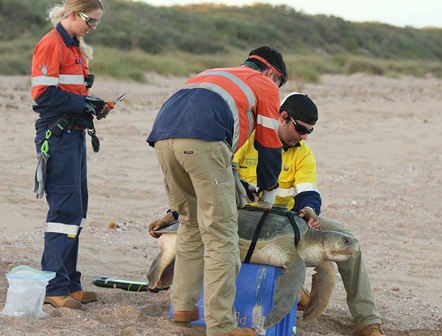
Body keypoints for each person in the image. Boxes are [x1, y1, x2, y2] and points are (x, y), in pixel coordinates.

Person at [149, 93, 385, 336]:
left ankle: (368, 322)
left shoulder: (303, 153)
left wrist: (310, 210)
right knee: (189, 228)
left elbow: (307, 193)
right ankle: (295, 294)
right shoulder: (246, 140)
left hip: (288, 221)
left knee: (345, 238)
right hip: (239, 216)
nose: (304, 137)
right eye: (301, 129)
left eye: (309, 132)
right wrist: (174, 213)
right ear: (283, 117)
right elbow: (209, 180)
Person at [146, 46, 288, 336]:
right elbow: (269, 144)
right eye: (279, 84)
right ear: (273, 73)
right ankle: (222, 326)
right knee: (221, 234)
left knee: (190, 224)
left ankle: (183, 306)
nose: (277, 90)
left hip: (162, 141)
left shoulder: (211, 74)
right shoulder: (264, 84)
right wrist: (269, 187)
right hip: (203, 143)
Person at [31, 0, 110, 310]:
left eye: (96, 23)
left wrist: (93, 104)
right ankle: (54, 287)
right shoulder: (51, 44)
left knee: (76, 210)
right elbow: (43, 94)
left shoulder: (74, 46)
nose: (92, 27)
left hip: (73, 134)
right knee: (64, 212)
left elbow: (72, 91)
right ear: (73, 14)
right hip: (58, 135)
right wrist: (83, 105)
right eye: (90, 21)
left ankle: (70, 283)